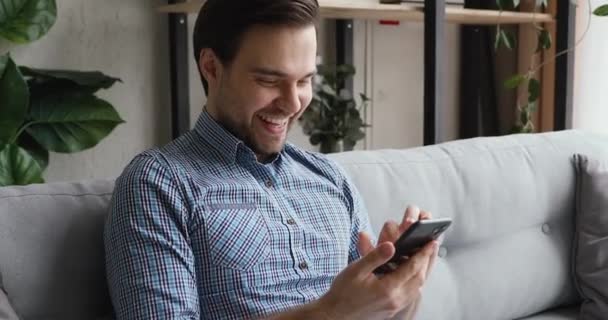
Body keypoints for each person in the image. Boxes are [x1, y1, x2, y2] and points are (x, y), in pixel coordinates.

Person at [104, 0, 439, 319]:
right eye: (269, 80)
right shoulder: (159, 184)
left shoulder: (330, 179)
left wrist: (401, 288)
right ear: (211, 67)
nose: (293, 103)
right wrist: (329, 314)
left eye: (305, 80)